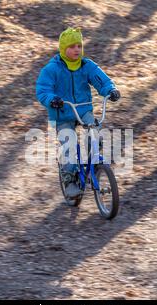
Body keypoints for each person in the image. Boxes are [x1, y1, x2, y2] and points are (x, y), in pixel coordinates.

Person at [36, 27, 120, 199]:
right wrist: (52, 99)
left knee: (94, 128)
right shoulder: (52, 69)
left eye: (79, 46)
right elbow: (43, 90)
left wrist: (110, 90)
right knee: (69, 144)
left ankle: (95, 159)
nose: (77, 50)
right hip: (62, 113)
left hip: (82, 110)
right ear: (63, 48)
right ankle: (70, 181)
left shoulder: (86, 65)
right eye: (72, 46)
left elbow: (101, 80)